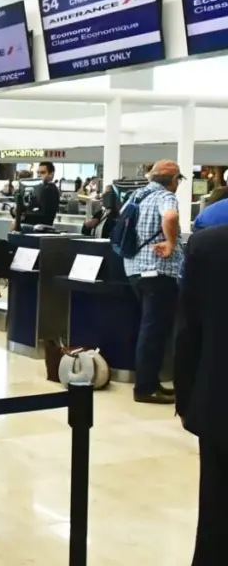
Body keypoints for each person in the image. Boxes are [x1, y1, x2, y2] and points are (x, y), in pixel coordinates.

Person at [173, 222, 228, 566]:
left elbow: (189, 331)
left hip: (219, 404)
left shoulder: (209, 246)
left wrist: (188, 399)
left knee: (217, 515)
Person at [123, 159, 183, 405]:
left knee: (150, 329)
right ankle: (146, 388)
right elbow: (170, 217)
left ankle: (151, 383)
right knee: (154, 331)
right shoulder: (165, 196)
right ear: (173, 180)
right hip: (158, 272)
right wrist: (171, 243)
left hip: (134, 269)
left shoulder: (136, 195)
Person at [16, 161, 60, 227]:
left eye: (43, 172)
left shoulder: (50, 189)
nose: (39, 175)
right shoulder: (37, 188)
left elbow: (38, 211)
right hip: (31, 225)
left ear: (51, 174)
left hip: (39, 227)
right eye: (38, 173)